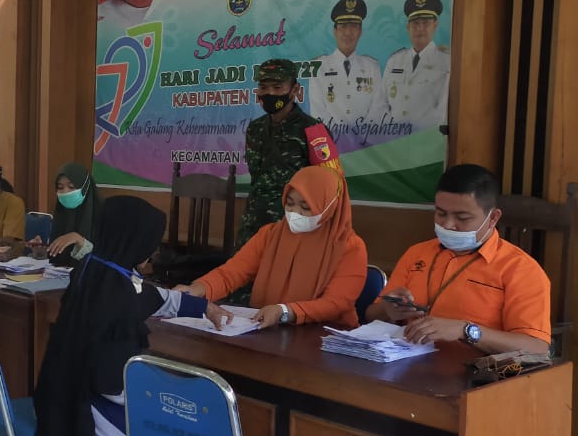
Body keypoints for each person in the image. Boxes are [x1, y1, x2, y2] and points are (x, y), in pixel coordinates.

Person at [33, 196, 224, 436]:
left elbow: (151, 296)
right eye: (151, 244)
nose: (152, 252)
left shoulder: (95, 270)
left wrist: (202, 307)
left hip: (65, 397)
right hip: (97, 408)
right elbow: (112, 382)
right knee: (180, 434)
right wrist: (161, 396)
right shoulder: (117, 297)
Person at [366, 164, 552, 353]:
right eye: (441, 214)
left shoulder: (520, 269)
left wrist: (466, 330)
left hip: (475, 368)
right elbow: (371, 315)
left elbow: (536, 347)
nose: (447, 225)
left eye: (462, 218)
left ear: (493, 218)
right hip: (406, 360)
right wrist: (388, 310)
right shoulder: (417, 253)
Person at [177, 166, 367, 329]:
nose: (295, 212)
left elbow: (336, 303)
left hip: (327, 338)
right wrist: (198, 289)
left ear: (330, 207)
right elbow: (232, 273)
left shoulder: (351, 248)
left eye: (306, 207)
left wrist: (285, 311)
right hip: (268, 329)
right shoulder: (270, 234)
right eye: (289, 203)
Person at [237, 58, 325, 246]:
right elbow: (256, 179)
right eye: (263, 87)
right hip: (253, 228)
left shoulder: (314, 131)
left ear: (295, 90)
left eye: (277, 87)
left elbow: (328, 187)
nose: (269, 93)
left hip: (292, 232)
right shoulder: (255, 129)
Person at [307, 0, 386, 145]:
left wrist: (361, 139)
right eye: (343, 26)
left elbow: (378, 108)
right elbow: (318, 112)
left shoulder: (371, 67)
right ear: (335, 31)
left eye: (353, 26)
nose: (348, 33)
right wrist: (342, 140)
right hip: (332, 145)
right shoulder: (318, 67)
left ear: (360, 31)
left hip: (366, 146)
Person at [382, 0, 450, 133]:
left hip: (428, 140)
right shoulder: (394, 61)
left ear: (435, 24)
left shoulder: (446, 62)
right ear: (408, 26)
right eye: (415, 23)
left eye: (425, 23)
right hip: (393, 139)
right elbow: (381, 104)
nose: (420, 29)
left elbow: (443, 110)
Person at [31, 161, 102, 264]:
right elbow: (57, 259)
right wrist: (43, 251)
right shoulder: (61, 214)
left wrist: (79, 240)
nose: (65, 192)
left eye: (71, 187)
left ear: (85, 187)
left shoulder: (104, 215)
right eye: (60, 187)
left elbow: (106, 261)